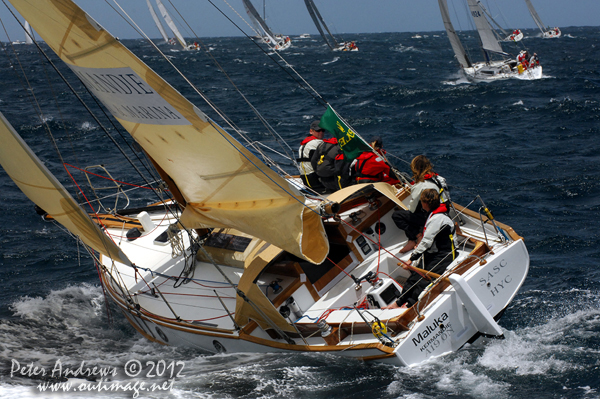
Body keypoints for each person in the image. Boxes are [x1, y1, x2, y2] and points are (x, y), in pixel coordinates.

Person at [384, 189, 456, 309]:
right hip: (434, 252)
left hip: (445, 254)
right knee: (414, 277)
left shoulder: (437, 219)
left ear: (425, 204)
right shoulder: (432, 215)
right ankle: (398, 303)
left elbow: (426, 241)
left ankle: (409, 305)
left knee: (424, 279)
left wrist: (411, 259)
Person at [391, 155, 447, 253]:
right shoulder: (439, 178)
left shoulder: (420, 186)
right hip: (444, 212)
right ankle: (420, 232)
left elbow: (412, 209)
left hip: (429, 217)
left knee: (397, 215)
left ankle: (415, 237)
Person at [298, 120, 326, 192]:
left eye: (323, 130)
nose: (321, 132)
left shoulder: (303, 144)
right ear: (311, 131)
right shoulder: (318, 143)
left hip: (305, 178)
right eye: (318, 130)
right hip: (315, 179)